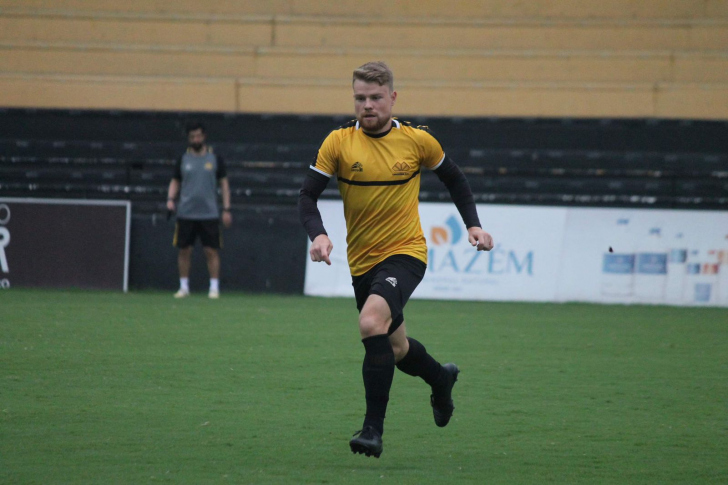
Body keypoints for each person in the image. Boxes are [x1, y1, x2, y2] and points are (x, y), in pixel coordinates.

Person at [298, 61, 494, 458]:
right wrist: (318, 233)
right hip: (362, 263)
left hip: (406, 253)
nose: (367, 105)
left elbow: (454, 178)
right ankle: (441, 379)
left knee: (370, 322)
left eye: (375, 97)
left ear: (392, 98)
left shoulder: (418, 141)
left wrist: (473, 225)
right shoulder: (337, 143)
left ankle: (372, 429)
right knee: (396, 347)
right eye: (359, 98)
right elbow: (307, 196)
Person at [167, 121, 232, 299]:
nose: (196, 139)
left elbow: (224, 185)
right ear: (189, 139)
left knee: (211, 250)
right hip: (185, 212)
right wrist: (170, 199)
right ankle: (184, 287)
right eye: (192, 136)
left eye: (198, 136)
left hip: (209, 213)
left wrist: (226, 209)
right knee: (184, 250)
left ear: (204, 137)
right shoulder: (183, 159)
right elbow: (175, 181)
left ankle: (214, 288)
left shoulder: (214, 159)